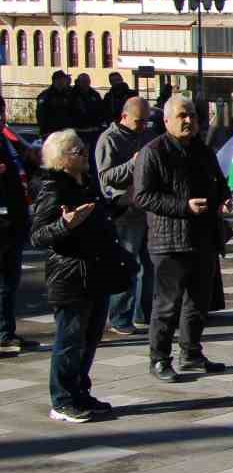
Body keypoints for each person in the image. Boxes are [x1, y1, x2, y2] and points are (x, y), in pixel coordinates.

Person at [133, 94, 231, 382]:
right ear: (166, 121)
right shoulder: (153, 151)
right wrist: (182, 206)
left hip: (203, 239)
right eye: (181, 116)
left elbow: (219, 183)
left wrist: (224, 199)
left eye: (192, 116)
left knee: (198, 303)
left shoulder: (203, 151)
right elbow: (142, 196)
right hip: (169, 242)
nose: (188, 121)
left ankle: (190, 353)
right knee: (167, 305)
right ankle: (159, 359)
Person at [32, 130, 127, 422]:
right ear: (61, 160)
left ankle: (80, 391)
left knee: (89, 338)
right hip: (69, 277)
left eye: (84, 150)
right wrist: (65, 224)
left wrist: (123, 202)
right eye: (78, 152)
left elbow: (100, 215)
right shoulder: (53, 189)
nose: (85, 155)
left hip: (95, 273)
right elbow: (38, 236)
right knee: (69, 340)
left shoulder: (86, 183)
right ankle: (61, 399)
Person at [95, 96, 155, 337]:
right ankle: (120, 316)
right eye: (139, 122)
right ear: (124, 116)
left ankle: (143, 313)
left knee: (148, 266)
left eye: (146, 122)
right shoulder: (109, 139)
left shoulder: (145, 136)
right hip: (124, 212)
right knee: (127, 264)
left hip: (146, 209)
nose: (142, 126)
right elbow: (106, 177)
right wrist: (132, 164)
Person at [0, 98, 35, 356]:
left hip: (15, 217)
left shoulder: (7, 140)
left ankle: (8, 330)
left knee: (11, 281)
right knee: (3, 281)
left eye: (2, 112)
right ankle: (3, 333)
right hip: (2, 220)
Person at [36, 71, 74, 138]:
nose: (64, 82)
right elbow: (41, 115)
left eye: (64, 80)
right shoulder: (46, 96)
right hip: (51, 132)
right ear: (56, 81)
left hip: (66, 131)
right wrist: (44, 131)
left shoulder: (69, 94)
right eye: (62, 79)